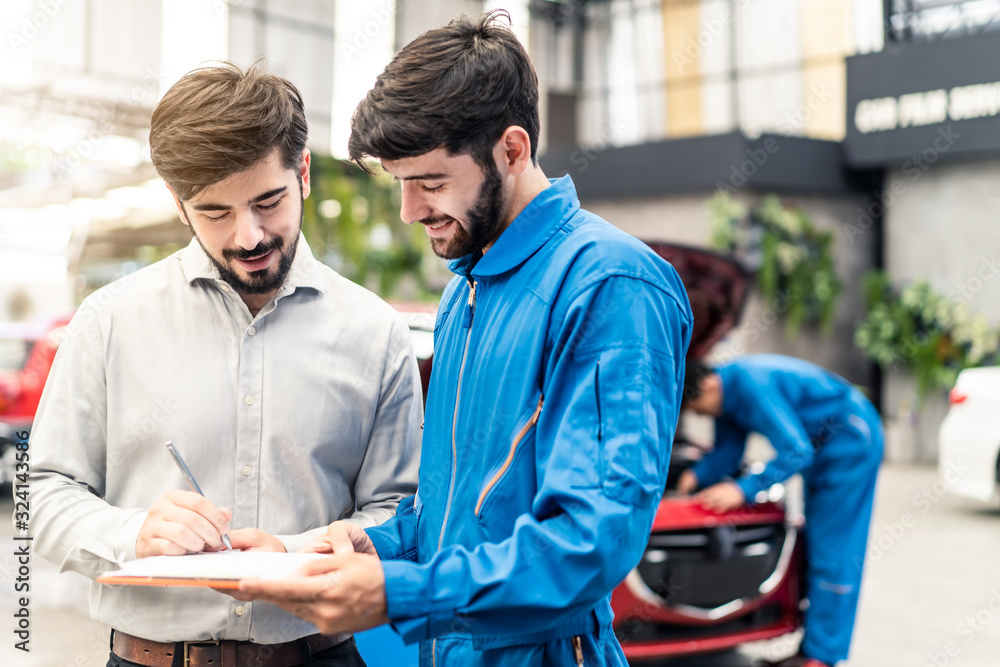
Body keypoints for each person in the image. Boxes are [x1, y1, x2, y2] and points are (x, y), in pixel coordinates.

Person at [235, 11, 693, 667]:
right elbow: (454, 515)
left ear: (512, 149)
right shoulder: (465, 291)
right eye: (401, 184)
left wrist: (403, 591)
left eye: (430, 182)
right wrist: (352, 548)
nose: (410, 210)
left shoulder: (610, 285)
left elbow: (591, 541)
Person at [29, 63, 422, 667]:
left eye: (269, 201)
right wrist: (132, 534)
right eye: (215, 212)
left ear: (305, 173)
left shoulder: (375, 334)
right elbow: (46, 493)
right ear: (178, 204)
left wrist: (295, 553)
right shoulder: (108, 323)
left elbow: (404, 512)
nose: (249, 235)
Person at [676, 354, 883, 667]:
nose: (703, 415)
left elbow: (796, 450)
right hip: (822, 449)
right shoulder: (724, 397)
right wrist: (695, 476)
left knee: (834, 550)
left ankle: (823, 658)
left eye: (697, 408)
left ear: (707, 385)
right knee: (813, 546)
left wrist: (743, 489)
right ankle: (812, 649)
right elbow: (728, 453)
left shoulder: (749, 384)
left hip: (850, 440)